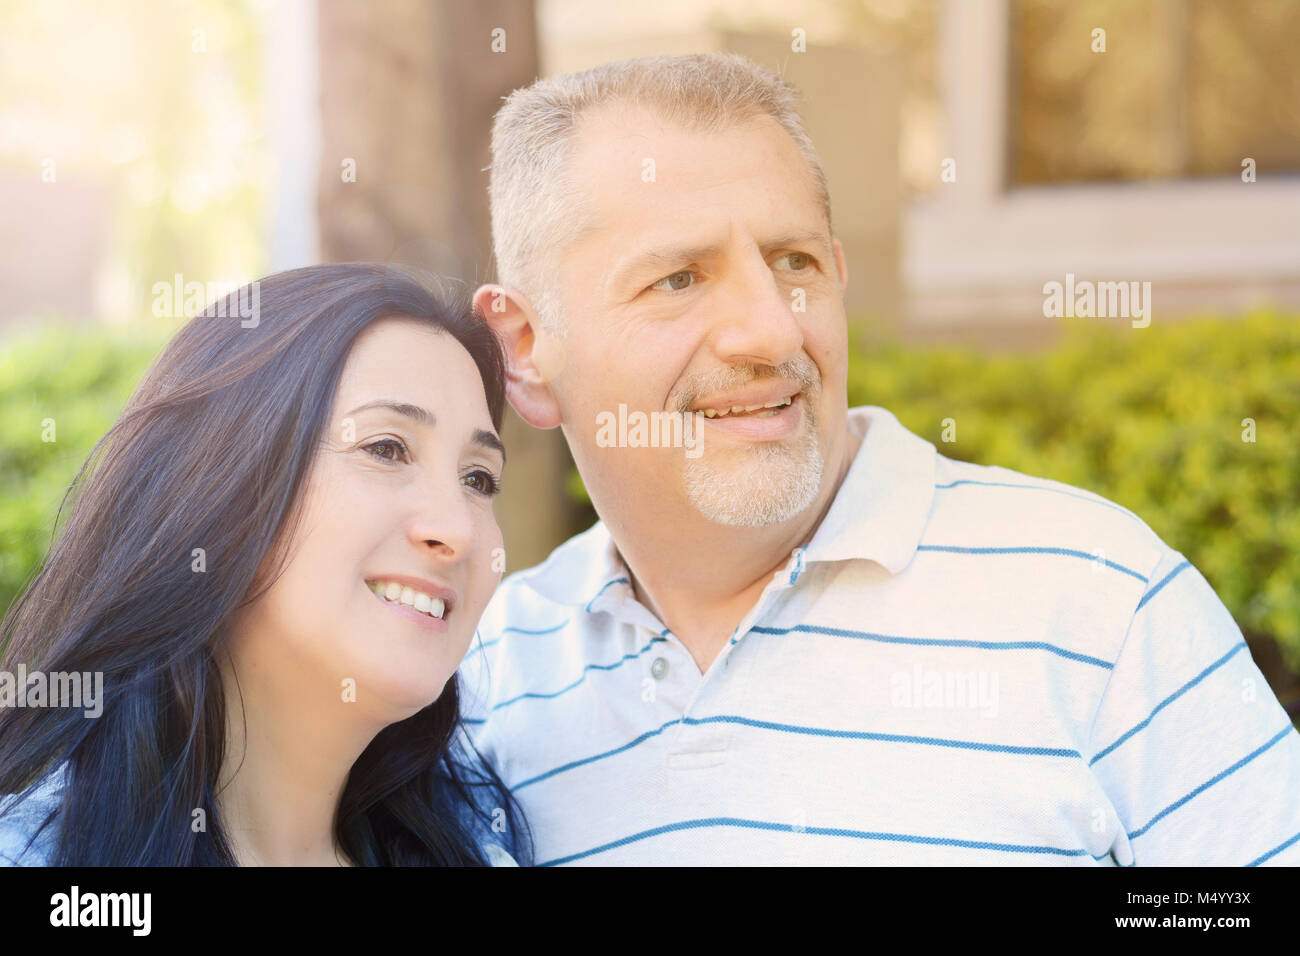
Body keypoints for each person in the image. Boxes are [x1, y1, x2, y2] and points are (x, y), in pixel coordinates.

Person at [458, 53, 1300, 866]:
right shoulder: (485, 682)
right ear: (527, 351)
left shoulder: (1100, 601)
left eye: (795, 262)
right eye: (679, 278)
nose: (775, 330)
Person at [0, 263, 529, 866]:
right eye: (386, 448)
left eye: (479, 479)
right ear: (219, 485)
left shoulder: (486, 846)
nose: (458, 528)